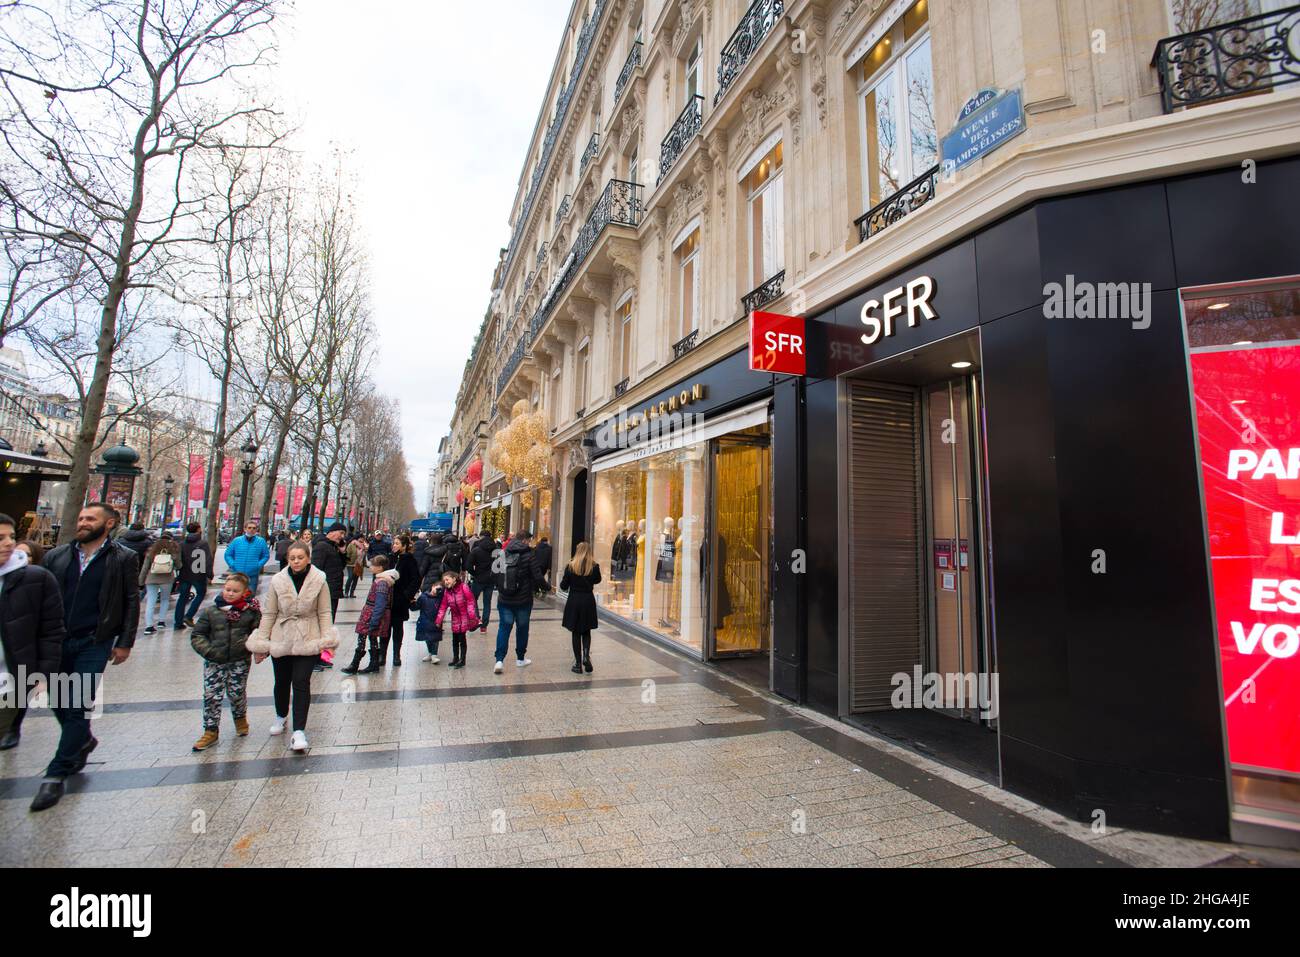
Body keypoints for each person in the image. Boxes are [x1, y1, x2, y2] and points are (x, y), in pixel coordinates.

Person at [31, 503, 140, 812]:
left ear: (109, 524)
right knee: (57, 701)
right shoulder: (57, 556)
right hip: (56, 640)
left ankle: (56, 773)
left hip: (95, 640)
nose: (82, 523)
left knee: (77, 704)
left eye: (90, 519)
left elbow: (131, 600)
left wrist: (125, 642)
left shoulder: (123, 558)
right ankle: (84, 739)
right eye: (80, 518)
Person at [245, 542, 336, 753]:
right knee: (282, 681)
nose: (296, 561)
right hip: (282, 635)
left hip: (308, 635)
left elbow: (324, 612)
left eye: (300, 557)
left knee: (301, 682)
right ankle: (280, 714)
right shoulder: (278, 581)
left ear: (308, 558)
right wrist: (262, 642)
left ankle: (299, 730)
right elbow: (269, 613)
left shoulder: (319, 580)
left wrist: (327, 640)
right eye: (292, 558)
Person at [0, 514, 65, 753]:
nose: (9, 543)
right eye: (1, 538)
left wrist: (44, 673)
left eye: (11, 537)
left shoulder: (37, 579)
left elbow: (51, 630)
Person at [189, 572, 260, 751]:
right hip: (214, 660)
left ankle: (240, 717)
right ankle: (210, 730)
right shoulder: (211, 611)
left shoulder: (250, 612)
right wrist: (209, 651)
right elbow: (197, 634)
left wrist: (253, 646)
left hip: (239, 660)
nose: (229, 593)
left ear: (245, 592)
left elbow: (258, 632)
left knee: (236, 693)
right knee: (211, 695)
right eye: (227, 589)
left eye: (235, 591)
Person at [492, 530, 543, 674]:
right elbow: (538, 576)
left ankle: (499, 660)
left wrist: (501, 588)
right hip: (523, 600)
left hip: (505, 599)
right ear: (526, 540)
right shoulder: (529, 555)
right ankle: (520, 659)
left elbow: (494, 574)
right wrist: (544, 588)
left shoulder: (503, 552)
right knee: (522, 628)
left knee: (504, 628)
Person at [343, 555, 397, 675]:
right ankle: (373, 664)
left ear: (380, 568)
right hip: (371, 613)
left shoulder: (382, 582)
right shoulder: (381, 579)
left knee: (363, 637)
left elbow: (380, 603)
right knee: (372, 638)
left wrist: (374, 620)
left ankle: (355, 664)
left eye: (373, 565)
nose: (370, 566)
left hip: (372, 614)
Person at [560, 542, 602, 674]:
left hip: (574, 600)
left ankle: (578, 664)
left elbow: (563, 586)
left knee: (576, 632)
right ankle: (586, 657)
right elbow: (597, 580)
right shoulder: (594, 566)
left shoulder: (571, 566)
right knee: (586, 630)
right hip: (588, 600)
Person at [384, 536, 419, 667]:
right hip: (387, 598)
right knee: (385, 627)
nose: (394, 545)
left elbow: (416, 579)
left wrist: (407, 595)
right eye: (394, 543)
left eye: (397, 543)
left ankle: (396, 655)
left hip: (400, 599)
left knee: (397, 627)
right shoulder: (390, 558)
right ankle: (382, 655)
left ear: (404, 546)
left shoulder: (410, 560)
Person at [435, 569, 480, 670]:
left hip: (464, 616)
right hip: (455, 617)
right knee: (455, 638)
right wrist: (439, 620)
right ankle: (455, 658)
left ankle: (462, 660)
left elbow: (470, 601)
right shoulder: (447, 591)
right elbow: (443, 606)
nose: (446, 582)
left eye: (447, 579)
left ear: (454, 579)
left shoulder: (463, 587)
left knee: (462, 637)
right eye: (444, 580)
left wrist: (471, 615)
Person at [172, 522, 213, 631]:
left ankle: (178, 622)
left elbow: (178, 559)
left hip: (185, 574)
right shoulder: (203, 543)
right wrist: (209, 574)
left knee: (182, 598)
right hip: (198, 574)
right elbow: (207, 560)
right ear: (199, 529)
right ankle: (189, 615)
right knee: (200, 594)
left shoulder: (182, 543)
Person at [139, 532, 180, 635]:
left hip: (151, 578)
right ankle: (161, 621)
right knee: (165, 599)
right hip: (167, 579)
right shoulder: (173, 552)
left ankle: (149, 626)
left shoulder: (151, 552)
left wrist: (140, 581)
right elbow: (179, 566)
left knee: (151, 601)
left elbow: (145, 568)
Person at [223, 520, 271, 596]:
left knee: (250, 596)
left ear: (256, 529)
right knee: (235, 595)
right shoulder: (237, 541)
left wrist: (258, 565)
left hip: (252, 574)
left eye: (254, 528)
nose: (252, 529)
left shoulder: (261, 541)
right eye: (249, 527)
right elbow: (228, 554)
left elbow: (266, 555)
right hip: (237, 574)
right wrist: (233, 564)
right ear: (245, 529)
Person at [311, 523, 347, 621]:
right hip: (326, 591)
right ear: (332, 531)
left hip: (333, 590)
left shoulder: (333, 547)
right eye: (341, 533)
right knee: (326, 621)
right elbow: (315, 570)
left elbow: (340, 566)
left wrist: (343, 553)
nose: (342, 537)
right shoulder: (321, 546)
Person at [467, 532, 496, 635]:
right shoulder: (496, 550)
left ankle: (477, 619)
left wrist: (474, 573)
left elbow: (468, 565)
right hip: (491, 579)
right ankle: (484, 626)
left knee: (472, 599)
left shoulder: (476, 550)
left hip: (479, 578)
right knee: (487, 603)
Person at [412, 578, 445, 664]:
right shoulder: (423, 597)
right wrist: (411, 603)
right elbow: (416, 606)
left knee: (435, 638)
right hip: (425, 621)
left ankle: (434, 655)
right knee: (427, 638)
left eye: (440, 589)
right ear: (432, 587)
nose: (437, 591)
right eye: (437, 588)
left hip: (436, 622)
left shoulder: (440, 598)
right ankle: (430, 653)